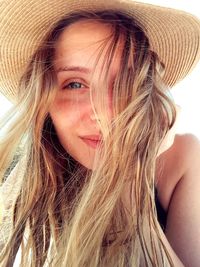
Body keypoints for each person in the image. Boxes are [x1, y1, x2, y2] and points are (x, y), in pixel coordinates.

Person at [0, 0, 200, 266]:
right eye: (74, 84)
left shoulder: (184, 157)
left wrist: (131, 178)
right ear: (44, 100)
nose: (105, 113)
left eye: (124, 82)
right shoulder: (21, 179)